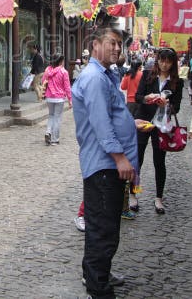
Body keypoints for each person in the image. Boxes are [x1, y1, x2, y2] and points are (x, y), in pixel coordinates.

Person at [72, 26, 140, 298]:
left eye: (120, 45)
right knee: (103, 229)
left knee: (106, 225)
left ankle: (99, 274)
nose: (116, 49)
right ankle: (98, 288)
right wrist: (120, 157)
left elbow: (110, 116)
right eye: (112, 43)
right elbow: (100, 124)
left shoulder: (106, 76)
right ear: (95, 45)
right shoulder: (95, 78)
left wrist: (130, 124)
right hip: (104, 166)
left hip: (107, 164)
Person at [134, 47, 183, 215]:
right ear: (157, 60)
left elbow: (177, 107)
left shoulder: (177, 81)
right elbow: (138, 97)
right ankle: (134, 193)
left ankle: (158, 197)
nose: (164, 64)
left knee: (159, 161)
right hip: (144, 120)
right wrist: (147, 98)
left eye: (168, 62)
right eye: (162, 60)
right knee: (137, 157)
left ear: (172, 63)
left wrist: (167, 105)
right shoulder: (148, 75)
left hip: (161, 125)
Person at [120, 57, 144, 212]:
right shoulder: (141, 75)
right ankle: (135, 195)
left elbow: (122, 86)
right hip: (139, 104)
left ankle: (131, 196)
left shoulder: (128, 75)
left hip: (129, 103)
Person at [42, 54, 71, 146]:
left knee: (51, 115)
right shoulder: (64, 72)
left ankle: (48, 131)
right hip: (59, 98)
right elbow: (67, 87)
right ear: (60, 61)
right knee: (57, 118)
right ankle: (55, 139)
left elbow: (43, 81)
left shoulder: (48, 70)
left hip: (49, 97)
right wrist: (70, 99)